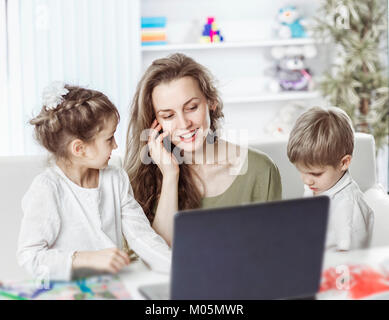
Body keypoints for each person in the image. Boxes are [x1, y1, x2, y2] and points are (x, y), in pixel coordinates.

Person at [17, 82, 171, 281]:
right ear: (79, 149)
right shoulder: (48, 189)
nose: (116, 145)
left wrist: (177, 267)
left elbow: (142, 237)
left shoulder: (115, 178)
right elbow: (30, 256)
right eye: (109, 139)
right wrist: (84, 258)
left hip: (110, 287)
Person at [124, 53, 282, 246]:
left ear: (211, 102)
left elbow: (271, 249)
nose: (184, 123)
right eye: (168, 115)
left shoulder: (261, 170)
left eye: (191, 107)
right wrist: (170, 176)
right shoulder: (145, 177)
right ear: (155, 124)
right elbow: (160, 256)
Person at [287, 106, 374, 251]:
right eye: (301, 171)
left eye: (316, 174)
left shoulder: (348, 207)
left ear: (344, 163)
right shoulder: (318, 186)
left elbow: (352, 260)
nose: (306, 180)